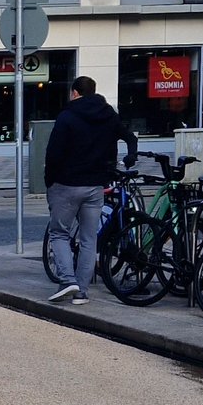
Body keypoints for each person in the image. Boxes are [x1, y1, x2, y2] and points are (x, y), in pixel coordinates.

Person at [44, 75, 138, 306]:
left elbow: (53, 154)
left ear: (75, 93)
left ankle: (67, 280)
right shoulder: (108, 115)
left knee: (59, 233)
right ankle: (82, 292)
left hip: (66, 184)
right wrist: (131, 157)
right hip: (96, 185)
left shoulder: (67, 116)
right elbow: (129, 137)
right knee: (89, 239)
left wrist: (49, 181)